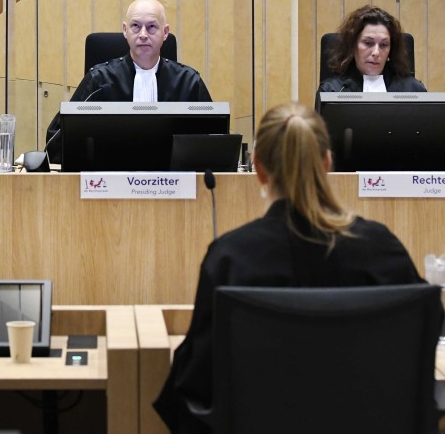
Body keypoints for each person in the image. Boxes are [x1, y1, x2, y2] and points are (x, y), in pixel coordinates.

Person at [153, 103, 428, 433]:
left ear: (258, 168)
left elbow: (194, 380)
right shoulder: (381, 249)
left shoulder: (231, 257)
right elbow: (424, 335)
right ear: (327, 163)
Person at [44, 0, 212, 163]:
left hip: (173, 184)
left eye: (152, 27)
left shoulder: (189, 82)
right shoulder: (99, 80)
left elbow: (214, 143)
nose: (143, 35)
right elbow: (57, 141)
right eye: (135, 26)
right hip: (108, 182)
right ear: (125, 30)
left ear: (165, 32)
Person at [317, 4, 426, 95]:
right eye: (368, 43)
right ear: (352, 46)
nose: (376, 52)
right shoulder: (331, 92)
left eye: (383, 45)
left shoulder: (414, 91)